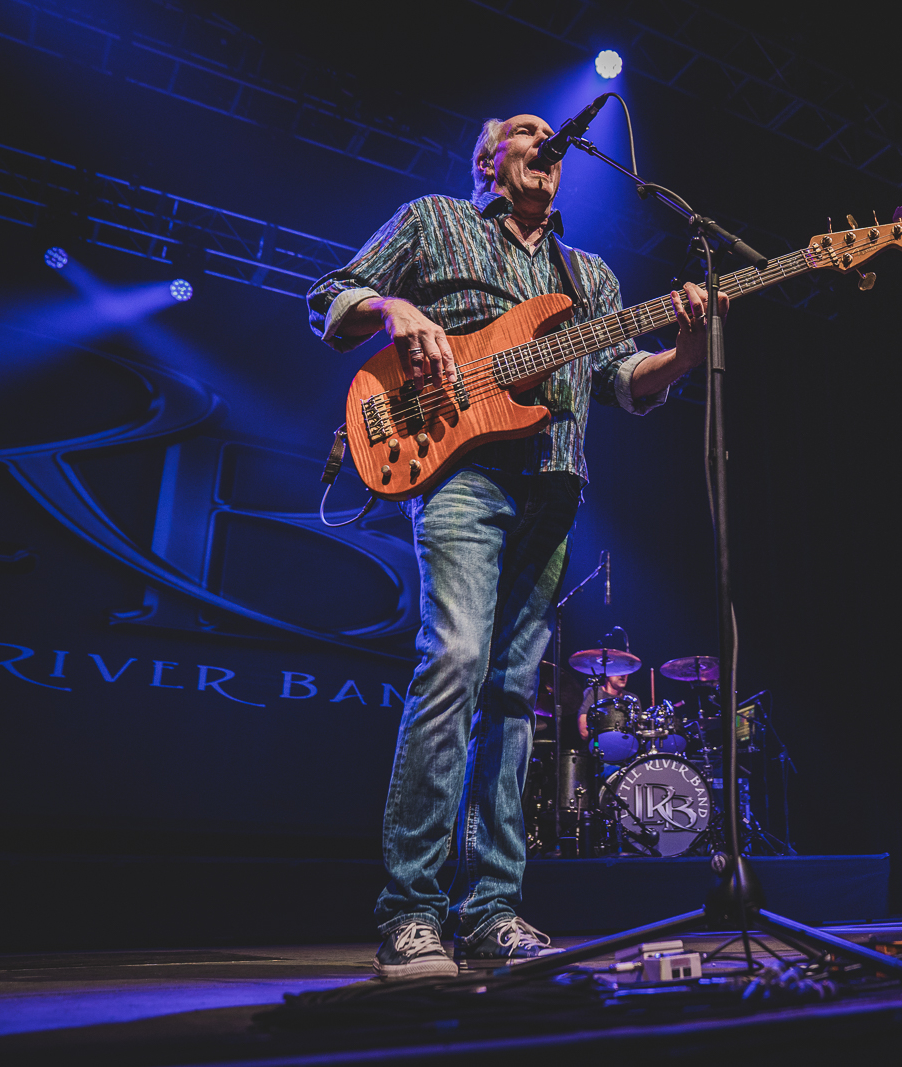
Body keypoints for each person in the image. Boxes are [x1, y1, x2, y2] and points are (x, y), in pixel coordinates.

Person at [307, 113, 726, 978]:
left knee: (510, 696)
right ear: (489, 160)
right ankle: (411, 913)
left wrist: (684, 350)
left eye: (551, 136)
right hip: (455, 470)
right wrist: (398, 306)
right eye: (528, 130)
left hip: (555, 485)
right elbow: (332, 296)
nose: (547, 140)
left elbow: (623, 383)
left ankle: (492, 909)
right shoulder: (436, 220)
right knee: (456, 658)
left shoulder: (592, 275)